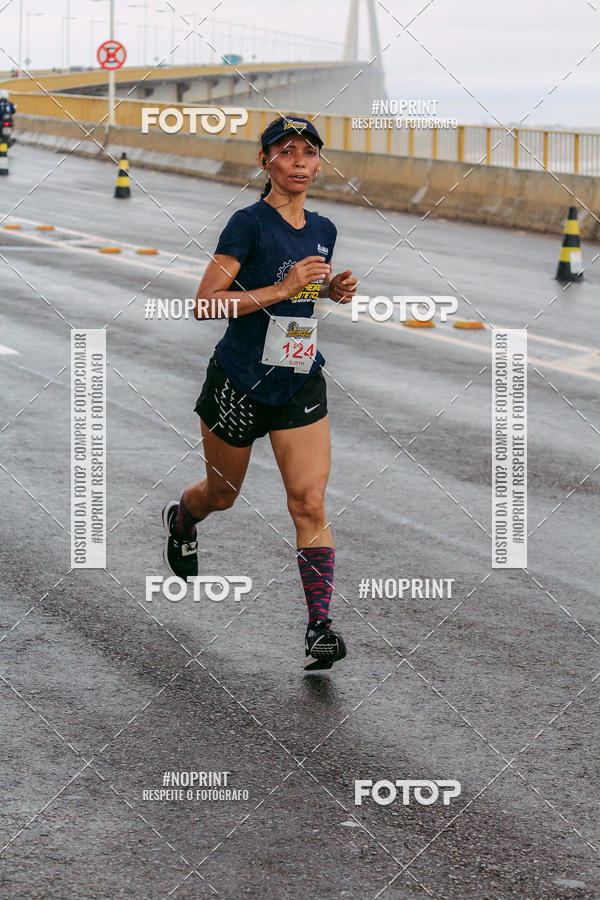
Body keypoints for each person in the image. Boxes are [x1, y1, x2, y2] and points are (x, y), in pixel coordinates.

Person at [162, 113, 357, 671]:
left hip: (298, 377)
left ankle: (319, 627)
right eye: (287, 151)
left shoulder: (323, 227)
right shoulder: (245, 225)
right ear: (264, 160)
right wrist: (283, 286)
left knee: (309, 502)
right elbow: (206, 303)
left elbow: (305, 298)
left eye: (309, 153)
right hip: (240, 380)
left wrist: (332, 290)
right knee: (222, 495)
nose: (300, 162)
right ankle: (182, 518)